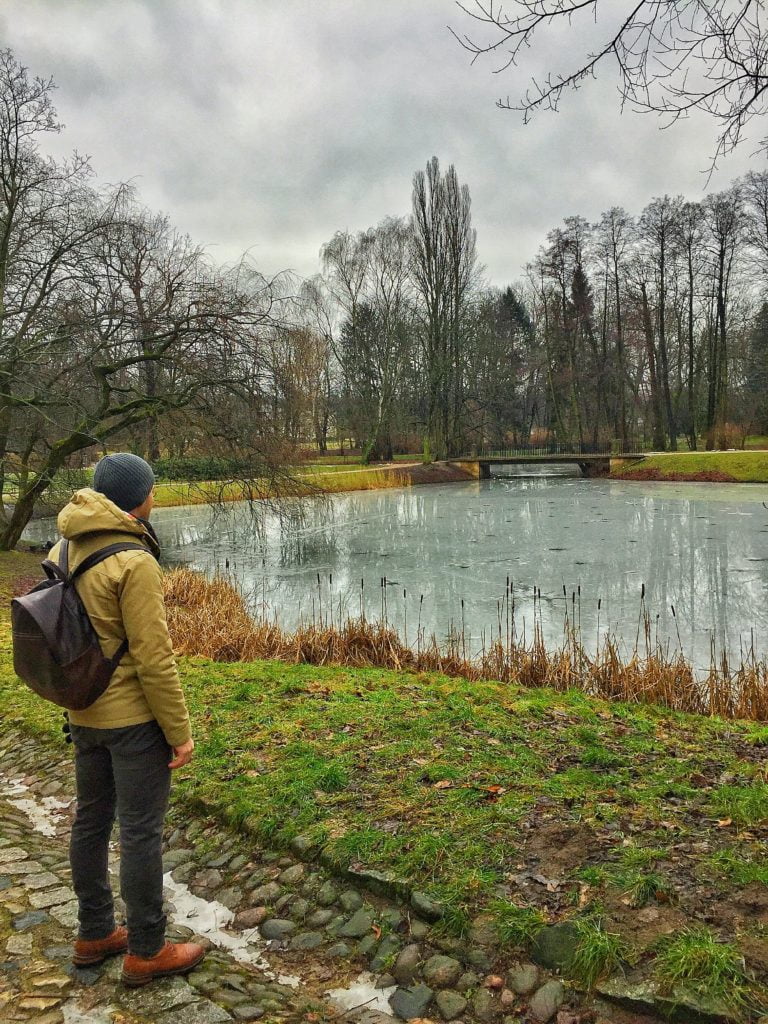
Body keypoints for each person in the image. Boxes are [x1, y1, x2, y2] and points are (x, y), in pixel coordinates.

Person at [49, 452, 204, 987]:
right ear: (136, 497)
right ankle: (147, 948)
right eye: (152, 489)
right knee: (140, 832)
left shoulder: (64, 545)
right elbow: (154, 657)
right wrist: (179, 733)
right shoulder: (134, 561)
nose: (156, 496)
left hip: (83, 711)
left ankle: (94, 931)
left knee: (90, 821)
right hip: (133, 721)